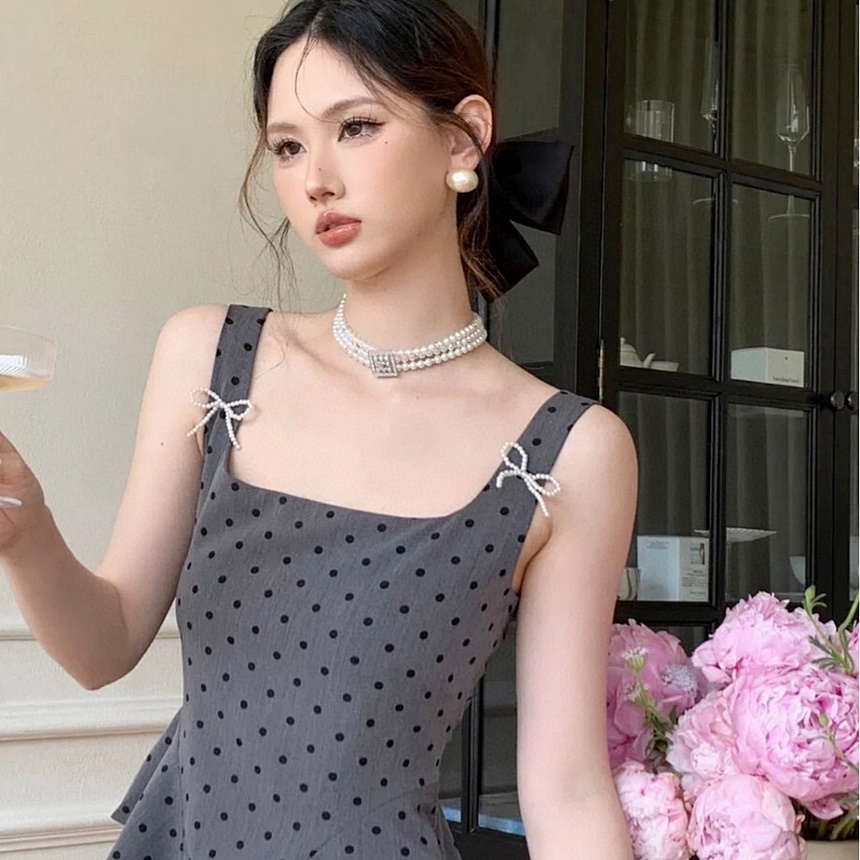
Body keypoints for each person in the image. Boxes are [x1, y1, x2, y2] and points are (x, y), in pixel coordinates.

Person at [0, 1, 639, 857]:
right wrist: (24, 524)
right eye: (288, 146)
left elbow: (567, 789)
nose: (316, 181)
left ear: (463, 139)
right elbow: (101, 646)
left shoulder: (573, 450)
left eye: (358, 127)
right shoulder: (210, 357)